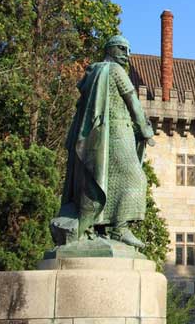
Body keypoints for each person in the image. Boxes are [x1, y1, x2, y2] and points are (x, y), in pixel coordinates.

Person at [52, 35, 154, 248]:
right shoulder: (116, 71)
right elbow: (133, 101)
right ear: (110, 49)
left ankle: (100, 228)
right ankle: (119, 228)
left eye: (128, 50)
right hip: (118, 132)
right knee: (135, 179)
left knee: (102, 180)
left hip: (98, 136)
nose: (127, 54)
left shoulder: (94, 72)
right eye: (122, 49)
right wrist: (145, 131)